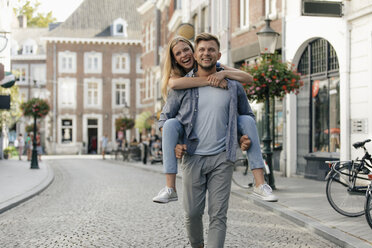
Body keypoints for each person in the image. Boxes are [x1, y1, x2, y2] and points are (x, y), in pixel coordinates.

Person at [159, 33, 273, 247]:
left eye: (211, 50)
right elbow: (166, 119)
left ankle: (261, 183)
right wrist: (176, 143)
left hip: (223, 158)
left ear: (218, 54)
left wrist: (242, 138)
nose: (206, 53)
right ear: (195, 54)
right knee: (192, 214)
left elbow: (243, 115)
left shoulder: (232, 84)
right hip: (193, 157)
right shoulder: (183, 85)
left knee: (218, 215)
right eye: (201, 50)